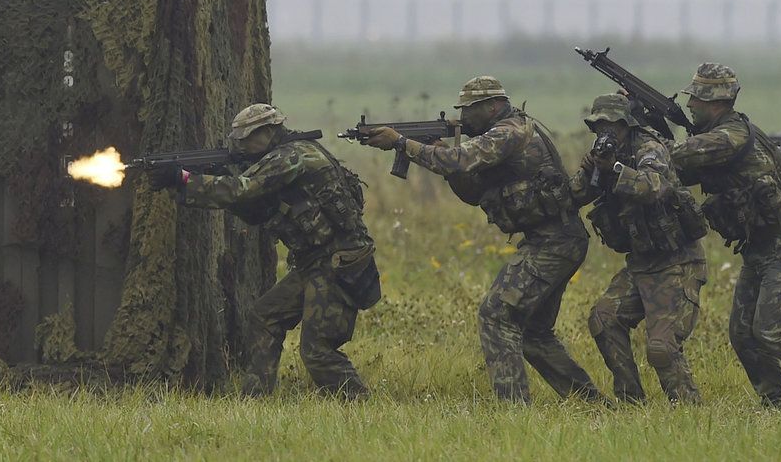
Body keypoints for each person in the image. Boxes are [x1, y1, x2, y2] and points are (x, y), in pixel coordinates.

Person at [363, 76, 602, 404]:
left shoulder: (509, 132)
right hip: (553, 238)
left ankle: (513, 410)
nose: (463, 117)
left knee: (496, 315)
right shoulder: (504, 133)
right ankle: (591, 403)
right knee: (533, 334)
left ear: (493, 106)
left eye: (469, 110)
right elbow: (474, 193)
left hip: (554, 240)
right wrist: (442, 161)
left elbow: (460, 160)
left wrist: (403, 144)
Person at [147, 104, 379, 399]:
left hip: (338, 262)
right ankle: (254, 401)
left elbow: (242, 189)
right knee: (264, 317)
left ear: (268, 132)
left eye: (246, 140)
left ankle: (359, 404)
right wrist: (209, 178)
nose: (241, 147)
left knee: (318, 350)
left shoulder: (291, 156)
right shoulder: (286, 155)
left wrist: (183, 179)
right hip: (317, 262)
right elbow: (255, 209)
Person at [670, 63, 781, 407]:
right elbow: (682, 173)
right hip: (760, 247)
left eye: (696, 98)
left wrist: (652, 143)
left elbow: (677, 155)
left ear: (715, 102)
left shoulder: (731, 136)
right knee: (743, 334)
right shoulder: (718, 135)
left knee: (772, 331)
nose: (690, 105)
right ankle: (777, 402)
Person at [571, 94, 708, 404]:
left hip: (678, 262)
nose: (604, 133)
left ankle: (689, 412)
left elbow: (654, 186)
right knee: (604, 319)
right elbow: (575, 195)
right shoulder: (603, 156)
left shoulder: (648, 147)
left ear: (626, 125)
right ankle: (631, 401)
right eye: (599, 127)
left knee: (661, 348)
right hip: (642, 264)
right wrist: (589, 171)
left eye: (611, 127)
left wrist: (616, 169)